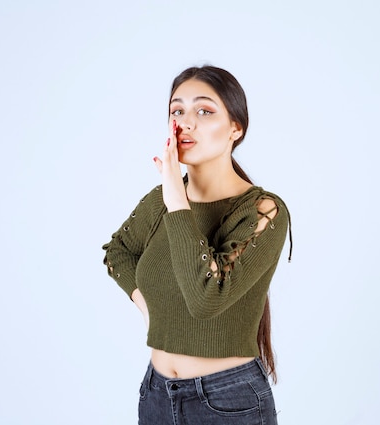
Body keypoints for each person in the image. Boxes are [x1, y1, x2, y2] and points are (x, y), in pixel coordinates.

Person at [102, 65, 292, 424]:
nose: (186, 122)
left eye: (204, 111)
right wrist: (149, 309)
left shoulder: (263, 211)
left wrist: (176, 195)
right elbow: (118, 253)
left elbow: (207, 296)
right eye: (177, 110)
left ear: (236, 128)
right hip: (156, 395)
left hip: (228, 401)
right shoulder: (162, 200)